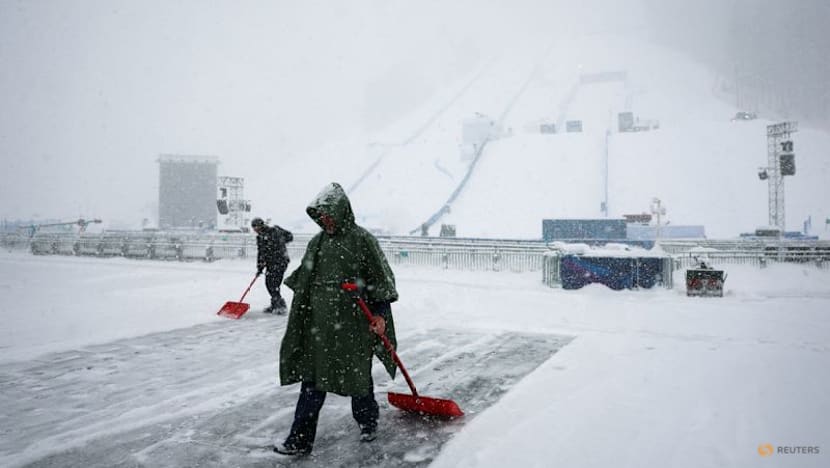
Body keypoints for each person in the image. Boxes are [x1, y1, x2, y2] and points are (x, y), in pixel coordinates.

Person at [274, 182, 398, 456]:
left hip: (354, 328)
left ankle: (368, 422)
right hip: (321, 330)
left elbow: (380, 280)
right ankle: (299, 439)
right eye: (321, 216)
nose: (325, 220)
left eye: (329, 214)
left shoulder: (362, 240)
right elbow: (304, 281)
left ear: (341, 212)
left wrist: (379, 314)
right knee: (312, 383)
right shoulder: (317, 243)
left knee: (358, 381)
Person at [251, 217, 293, 314]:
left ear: (261, 225)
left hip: (280, 262)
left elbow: (290, 236)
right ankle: (275, 304)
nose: (255, 230)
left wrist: (280, 243)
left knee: (274, 284)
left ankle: (280, 306)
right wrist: (260, 267)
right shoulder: (261, 237)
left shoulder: (274, 230)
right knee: (269, 283)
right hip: (271, 263)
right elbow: (261, 253)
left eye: (256, 227)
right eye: (254, 228)